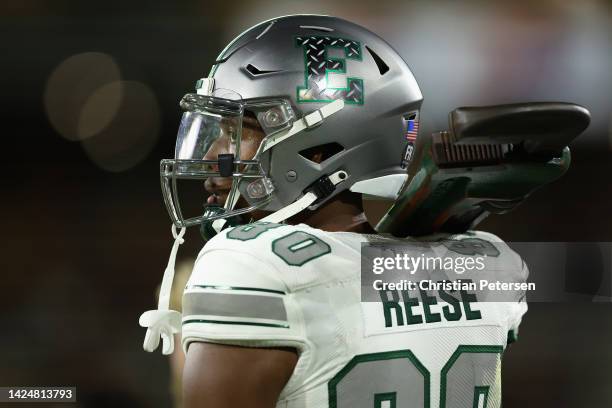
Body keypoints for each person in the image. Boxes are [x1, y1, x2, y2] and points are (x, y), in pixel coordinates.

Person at [142, 15, 528, 408]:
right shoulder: (488, 265)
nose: (211, 157)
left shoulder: (253, 267)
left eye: (236, 132)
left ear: (320, 150)